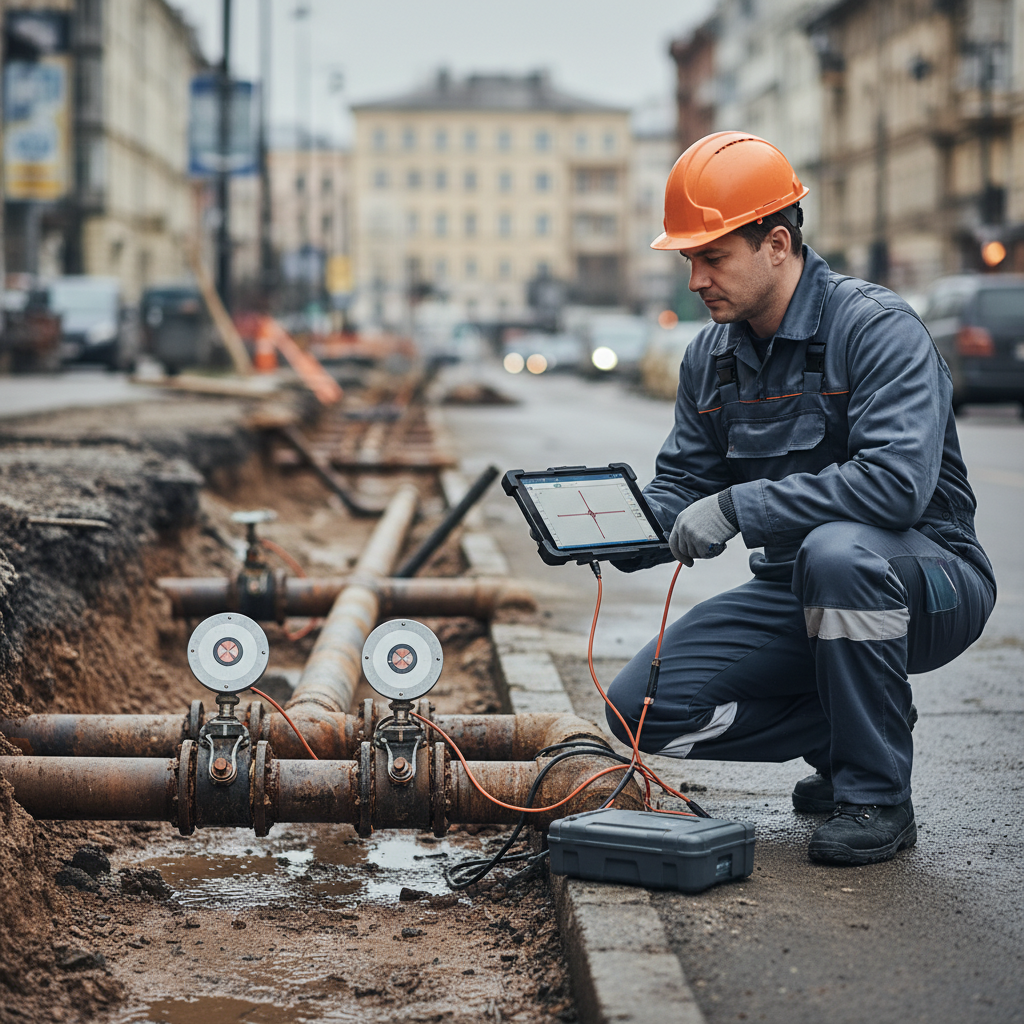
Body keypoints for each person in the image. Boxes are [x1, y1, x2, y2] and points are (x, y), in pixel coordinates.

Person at [606, 131, 996, 866]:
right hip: (798, 590)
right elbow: (685, 484)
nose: (695, 279)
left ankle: (876, 793)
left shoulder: (876, 329)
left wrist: (738, 509)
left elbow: (895, 486)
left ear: (776, 244)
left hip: (930, 580)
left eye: (711, 256)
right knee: (639, 711)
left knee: (836, 551)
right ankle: (845, 730)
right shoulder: (710, 358)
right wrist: (610, 533)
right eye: (690, 258)